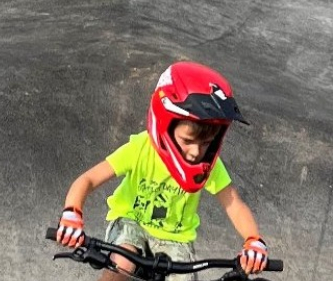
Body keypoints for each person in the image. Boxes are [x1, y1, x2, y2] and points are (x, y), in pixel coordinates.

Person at [54, 62, 270, 279]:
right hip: (131, 222)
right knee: (121, 264)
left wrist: (253, 240)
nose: (196, 152)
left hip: (175, 238)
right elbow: (88, 179)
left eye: (206, 143)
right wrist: (72, 214)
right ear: (166, 124)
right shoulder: (140, 148)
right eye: (188, 140)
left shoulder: (208, 164)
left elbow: (235, 205)